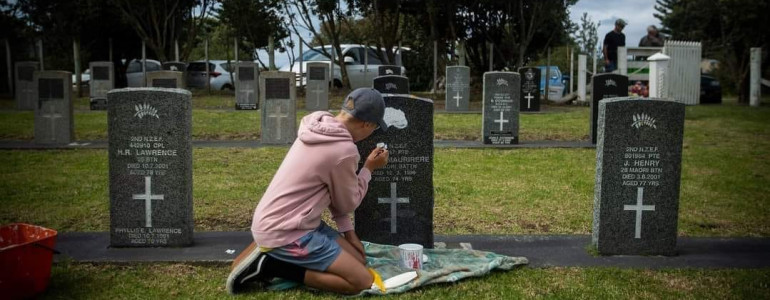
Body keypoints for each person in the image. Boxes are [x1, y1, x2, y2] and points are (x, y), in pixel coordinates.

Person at [227, 88, 390, 295]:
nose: (372, 132)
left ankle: (267, 248)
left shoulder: (319, 128)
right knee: (362, 281)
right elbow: (347, 203)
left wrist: (349, 233)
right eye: (375, 128)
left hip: (288, 220)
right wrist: (368, 169)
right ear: (366, 124)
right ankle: (272, 265)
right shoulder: (343, 150)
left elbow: (335, 194)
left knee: (359, 259)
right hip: (289, 231)